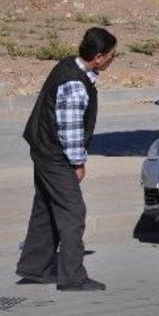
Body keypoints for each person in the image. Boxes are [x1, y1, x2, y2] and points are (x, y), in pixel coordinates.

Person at [16, 27, 116, 291]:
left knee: (46, 206)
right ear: (98, 57)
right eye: (111, 56)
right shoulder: (75, 84)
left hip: (42, 146)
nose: (112, 60)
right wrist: (77, 164)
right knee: (73, 211)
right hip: (55, 154)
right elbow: (70, 129)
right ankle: (72, 277)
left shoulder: (69, 64)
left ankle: (35, 268)